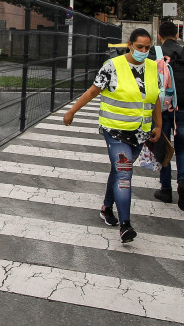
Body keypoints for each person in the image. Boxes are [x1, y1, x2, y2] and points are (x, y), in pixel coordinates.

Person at [64, 28, 162, 244]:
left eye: (147, 48)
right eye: (139, 47)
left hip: (140, 133)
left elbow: (155, 98)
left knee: (118, 171)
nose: (143, 51)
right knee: (125, 173)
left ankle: (107, 207)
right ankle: (125, 225)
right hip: (115, 131)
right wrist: (72, 111)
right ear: (130, 44)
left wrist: (159, 125)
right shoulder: (113, 66)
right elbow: (92, 91)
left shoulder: (154, 68)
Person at [149, 21, 184, 211]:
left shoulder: (153, 54)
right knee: (182, 148)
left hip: (161, 109)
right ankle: (183, 181)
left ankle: (166, 189)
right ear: (177, 35)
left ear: (159, 35)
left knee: (163, 147)